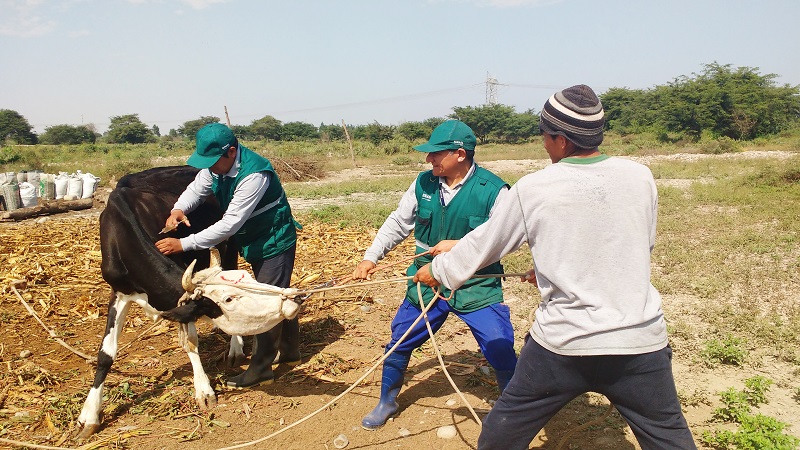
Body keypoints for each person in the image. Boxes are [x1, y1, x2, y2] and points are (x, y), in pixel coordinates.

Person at [414, 85, 697, 449]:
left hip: (564, 345)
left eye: (545, 137)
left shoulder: (535, 187)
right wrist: (554, 270)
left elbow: (484, 245)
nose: (544, 145)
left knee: (501, 435)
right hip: (640, 341)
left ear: (560, 140)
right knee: (668, 435)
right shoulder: (640, 177)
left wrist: (438, 271)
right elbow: (635, 248)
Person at [352, 120, 518, 431]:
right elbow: (398, 223)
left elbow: (506, 240)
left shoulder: (495, 190)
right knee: (399, 341)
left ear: (459, 154)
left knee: (500, 349)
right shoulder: (423, 184)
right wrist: (370, 256)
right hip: (425, 282)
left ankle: (513, 412)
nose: (429, 159)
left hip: (476, 285)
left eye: (436, 154)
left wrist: (458, 245)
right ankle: (387, 400)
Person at [155, 122, 301, 389]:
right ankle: (291, 351)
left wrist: (184, 244)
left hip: (274, 239)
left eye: (212, 161)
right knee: (279, 292)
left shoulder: (254, 174)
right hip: (252, 239)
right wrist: (178, 209)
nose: (209, 167)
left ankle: (260, 368)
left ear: (231, 152)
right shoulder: (216, 168)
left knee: (267, 301)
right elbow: (197, 188)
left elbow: (229, 224)